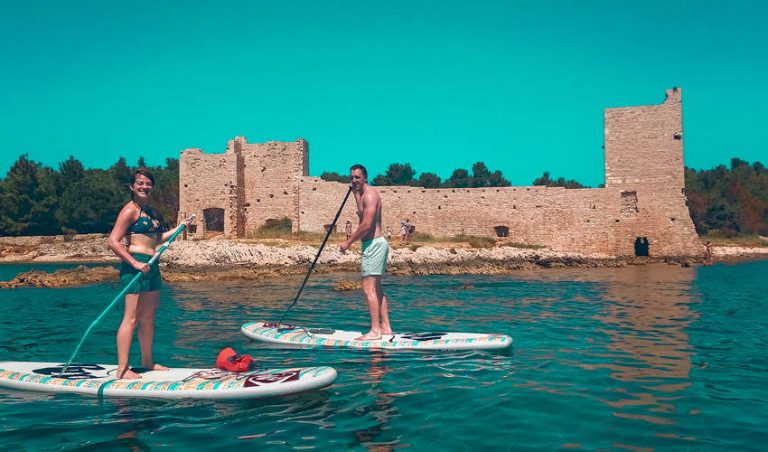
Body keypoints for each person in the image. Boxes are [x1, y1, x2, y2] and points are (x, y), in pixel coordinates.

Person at [108, 169, 192, 379]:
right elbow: (113, 241)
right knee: (131, 317)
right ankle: (123, 368)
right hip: (135, 265)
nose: (144, 187)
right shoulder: (130, 211)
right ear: (132, 186)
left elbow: (158, 239)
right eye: (140, 183)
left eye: (148, 184)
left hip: (152, 265)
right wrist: (135, 263)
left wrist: (180, 227)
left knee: (148, 317)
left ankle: (147, 361)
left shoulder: (152, 213)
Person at [339, 164, 393, 340]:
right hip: (373, 245)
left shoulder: (370, 195)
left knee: (368, 288)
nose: (354, 180)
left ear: (365, 177)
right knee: (377, 289)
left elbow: (366, 224)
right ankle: (385, 327)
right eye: (352, 177)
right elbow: (361, 213)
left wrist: (348, 242)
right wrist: (355, 192)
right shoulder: (362, 195)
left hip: (374, 245)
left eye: (357, 177)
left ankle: (375, 331)